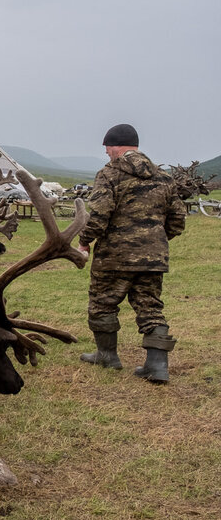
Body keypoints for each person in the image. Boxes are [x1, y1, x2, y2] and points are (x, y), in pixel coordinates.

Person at [77, 124, 186, 383]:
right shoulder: (164, 177)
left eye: (107, 148)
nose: (106, 153)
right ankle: (157, 367)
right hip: (153, 258)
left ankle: (107, 355)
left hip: (114, 257)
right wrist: (155, 240)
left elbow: (100, 214)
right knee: (150, 307)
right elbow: (178, 218)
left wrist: (84, 242)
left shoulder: (109, 174)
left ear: (116, 147)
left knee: (103, 303)